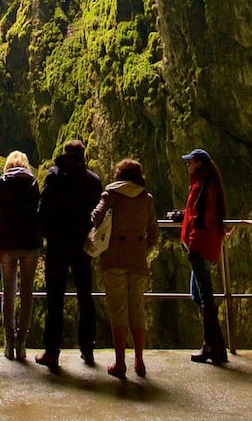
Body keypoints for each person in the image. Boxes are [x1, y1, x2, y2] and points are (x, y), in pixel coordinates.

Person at [35, 140, 102, 369]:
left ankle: (52, 352)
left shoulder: (54, 176)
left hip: (57, 244)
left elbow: (42, 209)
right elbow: (97, 214)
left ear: (65, 153)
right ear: (83, 155)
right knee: (86, 297)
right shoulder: (92, 180)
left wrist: (47, 235)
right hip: (82, 244)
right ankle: (88, 349)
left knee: (55, 298)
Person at [92, 159, 158, 379]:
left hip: (114, 259)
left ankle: (120, 363)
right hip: (137, 260)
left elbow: (95, 217)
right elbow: (154, 233)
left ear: (119, 175)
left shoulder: (110, 195)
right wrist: (141, 249)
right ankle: (140, 360)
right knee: (136, 309)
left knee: (118, 311)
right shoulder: (146, 199)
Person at [0, 151, 41, 361]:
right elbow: (37, 209)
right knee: (27, 292)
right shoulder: (33, 182)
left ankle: (8, 341)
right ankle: (22, 342)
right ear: (25, 165)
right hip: (29, 243)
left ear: (7, 165)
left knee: (8, 291)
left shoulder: (0, 183)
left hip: (7, 243)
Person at [180, 148, 229, 364]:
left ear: (198, 163)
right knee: (199, 296)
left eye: (190, 161)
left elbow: (200, 219)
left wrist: (192, 247)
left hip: (199, 246)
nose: (187, 165)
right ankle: (217, 347)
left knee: (205, 296)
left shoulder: (203, 186)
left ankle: (211, 347)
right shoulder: (204, 184)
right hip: (202, 245)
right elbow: (195, 213)